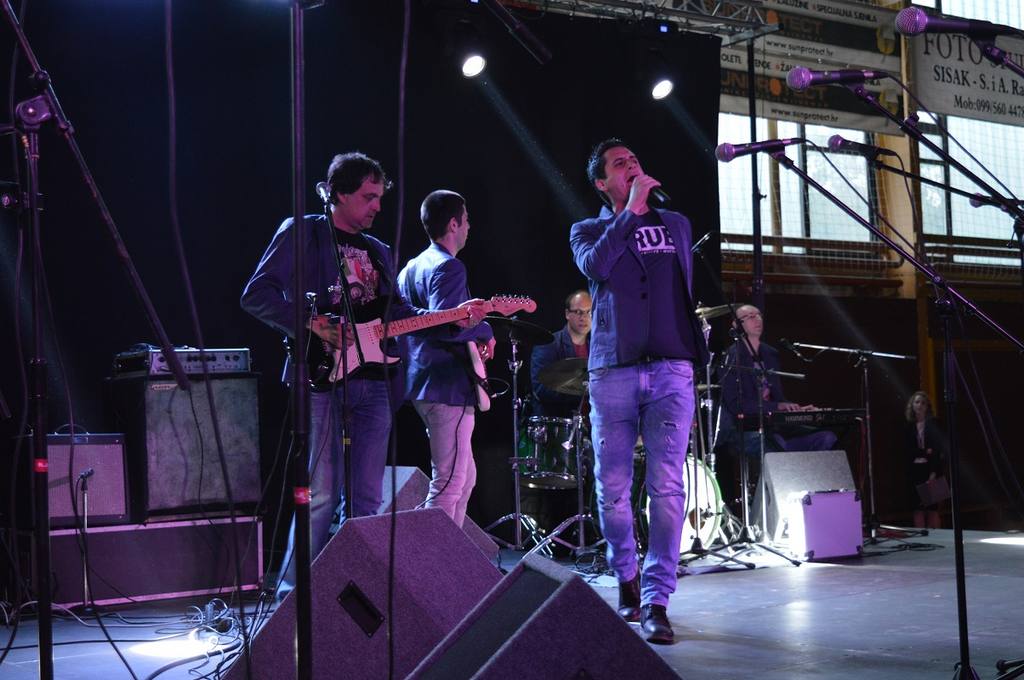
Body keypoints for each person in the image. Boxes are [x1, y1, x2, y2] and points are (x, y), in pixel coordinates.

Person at [240, 153, 485, 597]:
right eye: (369, 197)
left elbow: (397, 314)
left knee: (367, 501)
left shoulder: (379, 251)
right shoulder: (303, 232)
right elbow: (256, 294)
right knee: (319, 495)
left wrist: (453, 316)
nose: (377, 206)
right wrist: (310, 322)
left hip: (374, 384)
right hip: (319, 378)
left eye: (380, 197)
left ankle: (351, 598)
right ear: (338, 193)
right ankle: (292, 598)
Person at [570, 138, 708, 644]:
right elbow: (596, 268)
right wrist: (628, 212)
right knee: (612, 488)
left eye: (634, 159)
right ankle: (625, 573)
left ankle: (656, 598)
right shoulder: (587, 231)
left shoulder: (676, 225)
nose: (632, 165)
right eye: (619, 163)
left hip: (671, 369)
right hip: (613, 371)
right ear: (601, 183)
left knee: (667, 487)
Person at [398, 190, 495, 528]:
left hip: (421, 382)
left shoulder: (411, 267)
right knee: (449, 483)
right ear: (453, 224)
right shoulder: (449, 266)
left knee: (463, 479)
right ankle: (428, 557)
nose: (469, 227)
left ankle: (448, 554)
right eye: (466, 220)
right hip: (446, 384)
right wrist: (484, 330)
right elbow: (445, 324)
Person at [719, 304, 837, 456]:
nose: (757, 319)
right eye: (750, 316)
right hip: (746, 429)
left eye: (759, 315)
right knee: (775, 443)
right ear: (736, 325)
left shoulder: (770, 353)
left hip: (775, 426)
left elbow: (777, 397)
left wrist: (796, 409)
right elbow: (736, 405)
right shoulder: (730, 358)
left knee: (826, 437)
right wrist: (778, 406)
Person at [530, 290, 591, 418]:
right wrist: (582, 392)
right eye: (578, 312)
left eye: (589, 312)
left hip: (591, 422)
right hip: (558, 422)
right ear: (567, 314)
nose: (584, 317)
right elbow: (540, 388)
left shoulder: (597, 349)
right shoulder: (547, 344)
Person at [904, 390, 946, 528]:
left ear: (927, 406)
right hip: (915, 470)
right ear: (912, 405)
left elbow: (937, 449)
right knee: (917, 509)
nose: (920, 405)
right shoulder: (908, 426)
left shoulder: (934, 423)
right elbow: (908, 451)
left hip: (932, 468)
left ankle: (937, 538)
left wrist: (933, 473)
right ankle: (922, 538)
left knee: (933, 509)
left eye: (923, 403)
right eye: (917, 402)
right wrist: (925, 451)